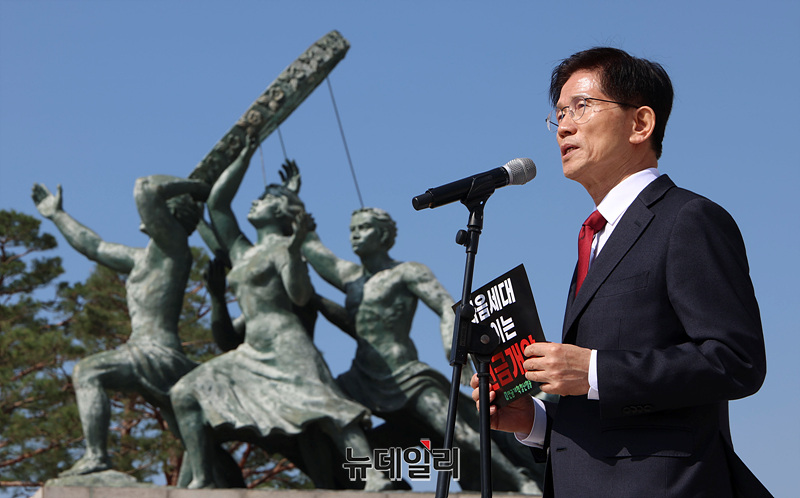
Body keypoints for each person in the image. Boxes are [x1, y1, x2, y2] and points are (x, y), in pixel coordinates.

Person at [471, 47, 770, 497]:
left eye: (581, 106)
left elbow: (736, 361)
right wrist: (534, 421)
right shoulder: (594, 238)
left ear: (640, 124)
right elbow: (614, 415)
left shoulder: (687, 219)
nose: (564, 126)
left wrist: (593, 370)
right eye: (559, 114)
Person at [168, 136, 389, 490]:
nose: (254, 201)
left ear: (282, 210)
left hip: (287, 345)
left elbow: (300, 295)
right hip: (251, 350)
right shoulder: (241, 251)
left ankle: (374, 475)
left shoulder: (287, 248)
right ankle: (202, 479)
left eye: (265, 199)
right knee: (184, 393)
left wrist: (297, 246)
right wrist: (245, 154)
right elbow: (218, 203)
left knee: (331, 411)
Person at [302, 206, 543, 493]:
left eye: (364, 228)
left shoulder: (407, 272)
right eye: (352, 229)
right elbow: (317, 254)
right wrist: (302, 226)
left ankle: (520, 480)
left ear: (383, 235)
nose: (355, 235)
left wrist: (451, 342)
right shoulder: (351, 278)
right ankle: (369, 477)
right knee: (327, 412)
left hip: (405, 373)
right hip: (360, 376)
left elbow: (443, 304)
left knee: (459, 434)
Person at [31, 175, 209, 477]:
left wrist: (194, 187)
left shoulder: (174, 245)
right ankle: (201, 483)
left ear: (171, 214)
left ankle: (97, 456)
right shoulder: (143, 258)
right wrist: (58, 215)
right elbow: (94, 247)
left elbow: (146, 188)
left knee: (87, 371)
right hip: (148, 351)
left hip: (156, 352)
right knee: (191, 437)